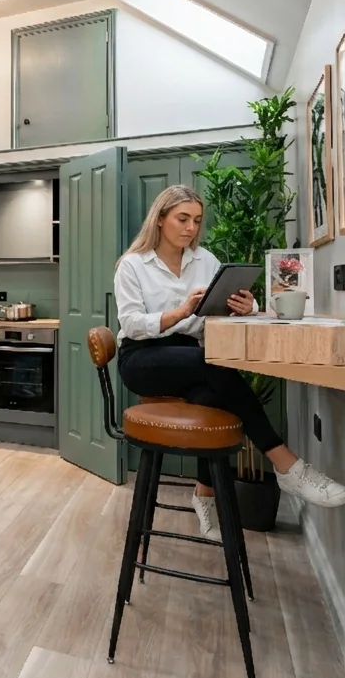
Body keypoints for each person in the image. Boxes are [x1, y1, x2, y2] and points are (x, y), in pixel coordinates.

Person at [114, 185, 345, 541]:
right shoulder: (132, 265)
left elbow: (230, 301)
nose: (191, 227)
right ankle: (286, 464)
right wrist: (181, 311)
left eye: (197, 220)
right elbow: (131, 325)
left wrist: (247, 305)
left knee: (211, 395)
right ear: (160, 220)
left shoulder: (205, 260)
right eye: (182, 218)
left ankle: (204, 495)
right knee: (212, 363)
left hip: (191, 356)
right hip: (142, 357)